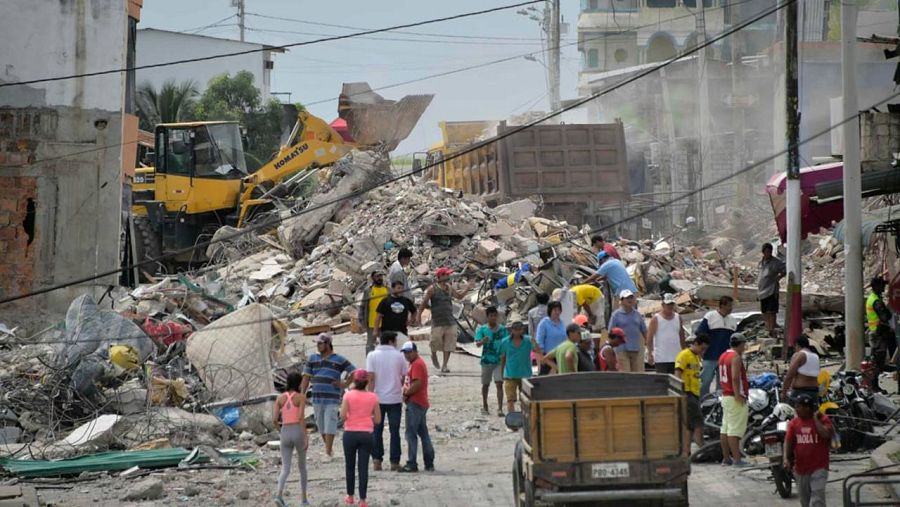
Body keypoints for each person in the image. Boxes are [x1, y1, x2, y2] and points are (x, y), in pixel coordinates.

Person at [301, 333, 355, 458]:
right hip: (317, 397)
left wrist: (345, 384)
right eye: (317, 343)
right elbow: (306, 378)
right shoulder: (312, 359)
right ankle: (329, 449)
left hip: (332, 397)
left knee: (330, 423)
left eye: (320, 343)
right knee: (320, 424)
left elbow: (353, 371)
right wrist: (302, 394)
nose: (318, 346)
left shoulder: (339, 359)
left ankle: (327, 451)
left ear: (328, 344)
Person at [365, 331, 408, 472]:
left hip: (377, 398)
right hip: (395, 398)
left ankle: (377, 460)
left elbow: (370, 378)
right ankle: (394, 461)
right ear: (391, 341)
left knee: (376, 430)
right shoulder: (399, 356)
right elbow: (404, 376)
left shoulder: (372, 355)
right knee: (394, 431)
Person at [418, 267, 475, 373]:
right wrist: (418, 317)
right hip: (437, 321)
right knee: (435, 342)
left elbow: (458, 296)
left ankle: (444, 365)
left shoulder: (449, 288)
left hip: (450, 321)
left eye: (448, 275)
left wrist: (467, 288)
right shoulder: (432, 289)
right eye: (446, 275)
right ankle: (433, 354)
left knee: (449, 344)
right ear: (440, 276)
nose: (448, 277)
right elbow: (423, 304)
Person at [340, 370, 381, 507]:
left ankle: (350, 496)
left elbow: (343, 415)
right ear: (367, 382)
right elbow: (378, 419)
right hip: (366, 434)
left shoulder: (348, 396)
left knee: (349, 466)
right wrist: (367, 417)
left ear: (354, 381)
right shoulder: (373, 397)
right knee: (363, 467)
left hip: (350, 433)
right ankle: (362, 500)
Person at [784, 392, 833, 507]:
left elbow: (826, 435)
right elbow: (788, 441)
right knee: (804, 500)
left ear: (809, 408)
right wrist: (786, 458)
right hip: (801, 468)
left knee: (818, 497)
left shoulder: (823, 419)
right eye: (797, 407)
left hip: (819, 466)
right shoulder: (794, 423)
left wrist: (816, 420)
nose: (798, 410)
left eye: (800, 407)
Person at [272, 372, 309, 507]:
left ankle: (279, 495)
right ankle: (304, 499)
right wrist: (305, 436)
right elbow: (300, 418)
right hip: (297, 431)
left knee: (285, 468)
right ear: (299, 383)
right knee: (302, 467)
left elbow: (274, 419)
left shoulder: (280, 398)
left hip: (285, 432)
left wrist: (280, 431)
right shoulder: (301, 397)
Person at [399, 342, 435, 473]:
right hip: (419, 402)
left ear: (415, 351)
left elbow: (417, 383)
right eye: (405, 353)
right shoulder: (414, 364)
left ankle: (412, 462)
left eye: (409, 352)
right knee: (423, 432)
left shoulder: (418, 364)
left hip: (416, 403)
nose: (407, 355)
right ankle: (429, 461)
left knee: (411, 433)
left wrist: (406, 393)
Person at [695, 296, 737, 397]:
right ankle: (701, 401)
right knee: (705, 380)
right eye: (729, 306)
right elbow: (700, 333)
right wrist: (702, 350)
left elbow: (734, 338)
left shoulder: (732, 320)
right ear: (722, 305)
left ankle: (718, 404)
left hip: (725, 358)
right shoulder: (710, 316)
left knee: (722, 383)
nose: (731, 308)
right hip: (710, 356)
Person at [719, 332, 750, 467]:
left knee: (725, 429)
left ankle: (726, 458)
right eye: (744, 345)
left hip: (726, 395)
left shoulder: (723, 355)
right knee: (734, 430)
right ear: (741, 344)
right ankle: (737, 459)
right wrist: (738, 394)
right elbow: (735, 378)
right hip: (734, 396)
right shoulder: (735, 357)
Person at [675, 335, 710, 451]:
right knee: (698, 421)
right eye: (702, 348)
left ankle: (687, 450)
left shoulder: (696, 357)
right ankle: (702, 447)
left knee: (690, 424)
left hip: (694, 393)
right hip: (687, 392)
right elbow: (678, 373)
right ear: (696, 344)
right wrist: (680, 392)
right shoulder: (684, 355)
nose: (703, 351)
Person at [475, 306, 509, 416]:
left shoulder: (503, 330)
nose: (493, 318)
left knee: (499, 383)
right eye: (491, 316)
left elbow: (507, 344)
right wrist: (482, 341)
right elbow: (477, 344)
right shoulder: (482, 329)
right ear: (487, 317)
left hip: (499, 360)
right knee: (486, 384)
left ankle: (500, 408)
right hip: (486, 360)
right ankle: (485, 405)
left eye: (495, 316)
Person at [606, 290, 647, 372]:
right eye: (627, 298)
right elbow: (611, 332)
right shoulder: (616, 315)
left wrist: (648, 345)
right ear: (621, 300)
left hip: (636, 349)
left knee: (638, 374)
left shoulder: (637, 314)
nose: (630, 300)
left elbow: (644, 331)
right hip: (621, 349)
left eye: (631, 297)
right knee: (625, 373)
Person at [499, 321, 535, 413]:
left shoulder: (528, 340)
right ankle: (512, 419)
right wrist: (501, 373)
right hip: (510, 375)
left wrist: (535, 342)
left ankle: (525, 418)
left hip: (525, 375)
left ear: (522, 330)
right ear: (512, 330)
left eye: (520, 329)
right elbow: (503, 358)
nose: (518, 332)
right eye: (516, 330)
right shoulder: (505, 342)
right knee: (510, 399)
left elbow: (537, 351)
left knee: (525, 400)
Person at [647, 293, 687, 374]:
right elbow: (650, 337)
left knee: (676, 383)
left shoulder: (678, 318)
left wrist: (684, 352)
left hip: (676, 357)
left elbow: (682, 336)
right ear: (663, 304)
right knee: (662, 382)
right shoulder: (656, 319)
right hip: (661, 358)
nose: (670, 306)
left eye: (672, 304)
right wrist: (649, 354)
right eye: (668, 304)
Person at [867, 276, 896, 385]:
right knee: (878, 361)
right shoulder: (876, 301)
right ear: (877, 286)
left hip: (877, 333)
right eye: (882, 285)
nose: (884, 287)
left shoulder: (873, 298)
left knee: (878, 360)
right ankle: (874, 385)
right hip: (878, 334)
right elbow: (885, 317)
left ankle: (875, 384)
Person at [782, 334, 821, 404]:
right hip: (814, 392)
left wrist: (784, 392)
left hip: (800, 392)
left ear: (797, 345)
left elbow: (789, 376)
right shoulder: (816, 356)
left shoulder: (800, 355)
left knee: (792, 413)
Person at [757, 243, 786, 337]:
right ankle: (767, 327)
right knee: (764, 311)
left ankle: (771, 329)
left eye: (769, 251)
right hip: (762, 289)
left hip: (771, 289)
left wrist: (779, 277)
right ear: (763, 252)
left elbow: (784, 270)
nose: (768, 253)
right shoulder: (761, 263)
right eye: (766, 251)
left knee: (771, 311)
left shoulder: (776, 262)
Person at [358, 270, 389, 354]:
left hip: (385, 323)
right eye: (377, 276)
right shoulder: (368, 290)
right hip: (371, 323)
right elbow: (362, 306)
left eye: (381, 276)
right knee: (370, 345)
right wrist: (361, 320)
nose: (379, 278)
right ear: (373, 278)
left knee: (385, 345)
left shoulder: (387, 289)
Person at [535, 301, 567, 375]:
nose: (557, 312)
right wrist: (542, 356)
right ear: (550, 310)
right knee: (544, 376)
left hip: (560, 355)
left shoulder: (562, 322)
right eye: (555, 310)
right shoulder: (544, 323)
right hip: (548, 356)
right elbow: (539, 341)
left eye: (559, 310)